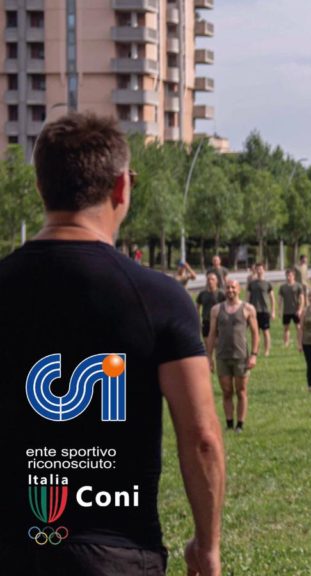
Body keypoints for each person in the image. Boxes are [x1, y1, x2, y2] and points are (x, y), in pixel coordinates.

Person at [0, 113, 224, 575]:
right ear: (122, 188)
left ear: (41, 189)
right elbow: (202, 438)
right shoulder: (160, 298)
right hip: (118, 553)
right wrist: (207, 545)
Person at [208, 279, 260, 433]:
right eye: (228, 287)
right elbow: (211, 334)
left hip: (241, 356)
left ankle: (240, 425)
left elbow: (255, 333)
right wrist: (208, 357)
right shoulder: (216, 310)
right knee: (227, 391)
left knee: (241, 390)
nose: (230, 290)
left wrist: (254, 355)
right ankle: (229, 423)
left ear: (239, 289)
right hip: (222, 356)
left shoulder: (248, 309)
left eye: (233, 287)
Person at [246, 261, 275, 356]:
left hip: (264, 310)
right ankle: (255, 350)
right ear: (255, 270)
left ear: (264, 270)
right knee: (255, 332)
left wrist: (273, 311)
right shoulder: (251, 284)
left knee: (266, 331)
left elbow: (272, 298)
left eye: (260, 269)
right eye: (257, 269)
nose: (259, 270)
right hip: (253, 311)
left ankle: (267, 351)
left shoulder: (267, 284)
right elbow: (247, 297)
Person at [279, 268, 306, 350]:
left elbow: (302, 298)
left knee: (298, 327)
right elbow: (280, 299)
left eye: (290, 275)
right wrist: (279, 310)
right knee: (286, 328)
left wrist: (300, 309)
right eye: (287, 275)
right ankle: (286, 344)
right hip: (286, 311)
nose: (288, 277)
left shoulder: (298, 286)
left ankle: (300, 343)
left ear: (294, 276)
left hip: (296, 311)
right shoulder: (282, 287)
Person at [196, 271, 227, 345]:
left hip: (218, 321)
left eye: (212, 279)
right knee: (207, 344)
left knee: (217, 344)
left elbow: (227, 306)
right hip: (206, 321)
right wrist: (198, 319)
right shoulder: (202, 293)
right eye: (208, 279)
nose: (210, 281)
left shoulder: (221, 293)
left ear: (217, 281)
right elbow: (197, 306)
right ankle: (209, 356)